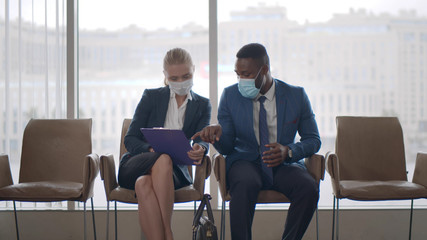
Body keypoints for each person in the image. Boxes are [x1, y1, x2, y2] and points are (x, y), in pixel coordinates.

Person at [193, 43, 321, 240]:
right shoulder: (230, 95)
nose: (241, 80)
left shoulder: (296, 95)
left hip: (282, 164)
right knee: (245, 184)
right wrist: (216, 136)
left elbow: (313, 139)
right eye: (238, 74)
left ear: (265, 70)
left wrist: (288, 151)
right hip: (245, 162)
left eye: (246, 74)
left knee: (308, 188)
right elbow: (227, 146)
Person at [118, 48, 211, 240]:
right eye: (174, 78)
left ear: (193, 70)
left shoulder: (202, 105)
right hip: (137, 164)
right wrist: (151, 149)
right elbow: (130, 139)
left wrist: (200, 148)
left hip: (174, 173)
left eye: (186, 76)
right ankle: (168, 232)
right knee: (162, 158)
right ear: (165, 76)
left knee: (143, 184)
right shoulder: (151, 97)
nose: (180, 82)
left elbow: (202, 138)